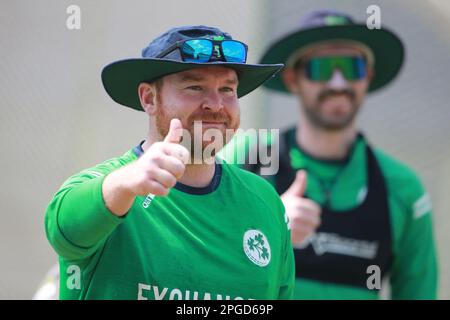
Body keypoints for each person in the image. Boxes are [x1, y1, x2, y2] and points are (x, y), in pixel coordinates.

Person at [44, 25, 295, 300]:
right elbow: (63, 231)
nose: (215, 104)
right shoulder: (108, 186)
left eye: (227, 89)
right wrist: (125, 184)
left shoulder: (265, 202)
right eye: (195, 87)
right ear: (149, 98)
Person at [237, 10, 438, 299]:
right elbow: (200, 260)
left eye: (352, 67)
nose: (338, 84)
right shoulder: (249, 158)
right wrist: (271, 228)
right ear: (293, 79)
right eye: (322, 68)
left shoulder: (403, 187)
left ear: (367, 76)